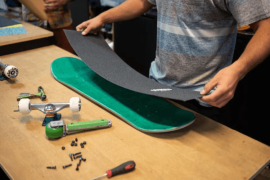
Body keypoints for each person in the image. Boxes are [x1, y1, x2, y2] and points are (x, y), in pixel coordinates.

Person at [76, 0, 270, 124]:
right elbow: (142, 1)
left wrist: (237, 70)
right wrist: (102, 18)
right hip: (157, 87)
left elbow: (267, 28)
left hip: (204, 98)